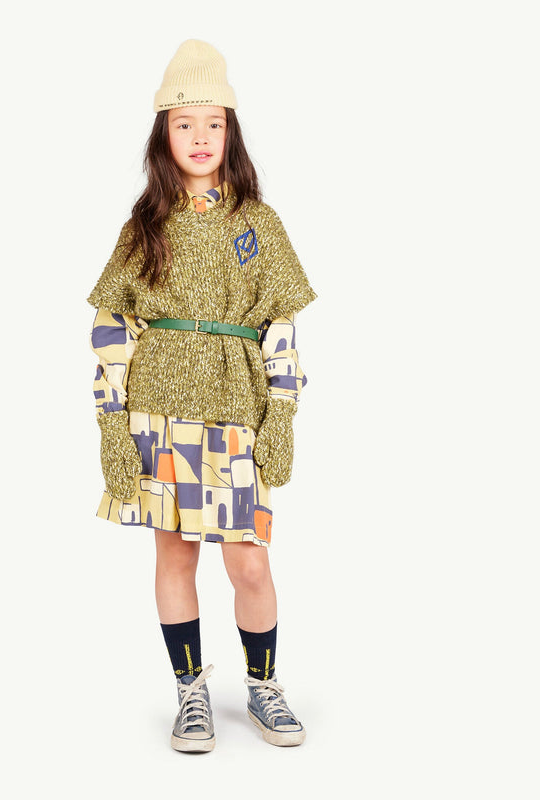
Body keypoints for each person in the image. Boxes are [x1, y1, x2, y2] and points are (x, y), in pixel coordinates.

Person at [88, 39, 316, 753]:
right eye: (184, 124)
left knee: (249, 561)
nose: (199, 137)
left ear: (230, 131)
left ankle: (263, 686)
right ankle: (191, 691)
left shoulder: (258, 223)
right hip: (157, 411)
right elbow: (112, 330)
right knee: (176, 556)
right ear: (164, 134)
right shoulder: (144, 228)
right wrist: (111, 424)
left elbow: (281, 325)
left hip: (234, 407)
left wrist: (282, 412)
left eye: (213, 123)